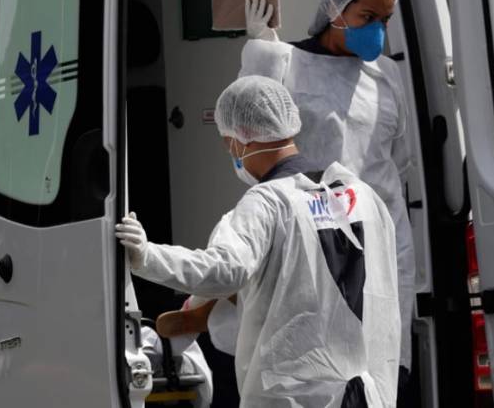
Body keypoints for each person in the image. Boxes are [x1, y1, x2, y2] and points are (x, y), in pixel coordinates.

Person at [116, 75, 400, 408]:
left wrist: (146, 256)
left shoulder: (267, 203)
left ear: (240, 140)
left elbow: (226, 271)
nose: (230, 152)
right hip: (370, 395)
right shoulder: (364, 196)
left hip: (294, 398)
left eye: (228, 143)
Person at [240, 0, 417, 395]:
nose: (377, 31)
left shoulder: (387, 76)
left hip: (382, 240)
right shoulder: (287, 63)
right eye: (367, 17)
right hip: (314, 243)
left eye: (385, 21)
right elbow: (249, 158)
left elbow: (400, 158)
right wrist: (260, 59)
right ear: (336, 9)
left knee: (381, 370)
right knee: (316, 375)